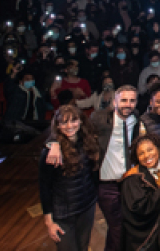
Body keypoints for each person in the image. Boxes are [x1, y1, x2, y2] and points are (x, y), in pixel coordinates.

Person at [45, 85, 138, 251]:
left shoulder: (136, 118)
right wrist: (54, 142)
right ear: (114, 101)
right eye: (124, 100)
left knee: (127, 223)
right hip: (106, 184)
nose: (128, 104)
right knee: (116, 225)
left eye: (132, 101)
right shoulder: (99, 118)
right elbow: (71, 128)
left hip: (129, 182)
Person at [39, 105, 100, 251]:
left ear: (80, 121)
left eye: (74, 120)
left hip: (86, 207)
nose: (69, 126)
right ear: (58, 125)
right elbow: (44, 187)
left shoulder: (88, 142)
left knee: (83, 247)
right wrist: (49, 221)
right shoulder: (50, 151)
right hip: (63, 213)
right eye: (64, 122)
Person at [119, 133, 160, 250]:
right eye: (141, 153)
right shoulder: (132, 178)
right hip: (148, 236)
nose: (146, 156)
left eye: (150, 150)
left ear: (158, 148)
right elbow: (138, 207)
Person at [4, 67, 52, 138]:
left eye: (32, 79)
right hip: (18, 123)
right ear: (21, 82)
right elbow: (8, 87)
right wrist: (13, 74)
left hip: (34, 123)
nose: (30, 81)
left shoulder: (39, 94)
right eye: (27, 79)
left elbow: (43, 109)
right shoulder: (16, 92)